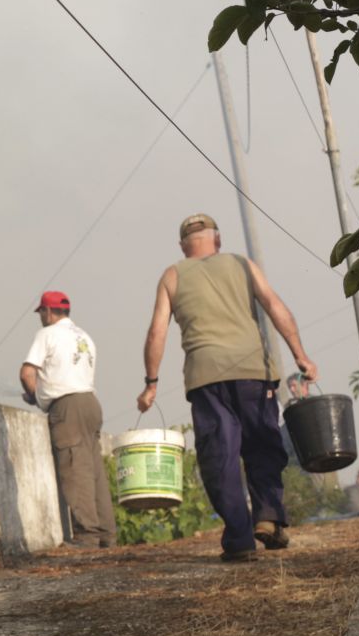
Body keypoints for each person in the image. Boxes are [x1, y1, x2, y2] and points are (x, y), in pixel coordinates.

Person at [136, 214, 318, 561]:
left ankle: (239, 538)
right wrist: (301, 356)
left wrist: (151, 383)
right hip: (254, 371)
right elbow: (275, 306)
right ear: (217, 240)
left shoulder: (172, 275)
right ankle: (267, 516)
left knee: (220, 456)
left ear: (182, 247)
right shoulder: (242, 264)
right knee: (263, 445)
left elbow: (157, 332)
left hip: (206, 378)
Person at [19, 291, 114, 548]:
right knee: (93, 470)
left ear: (48, 312)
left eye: (41, 312)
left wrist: (35, 396)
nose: (41, 317)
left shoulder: (47, 334)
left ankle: (87, 537)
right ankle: (107, 536)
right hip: (90, 403)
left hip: (68, 407)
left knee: (75, 469)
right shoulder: (84, 337)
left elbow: (27, 373)